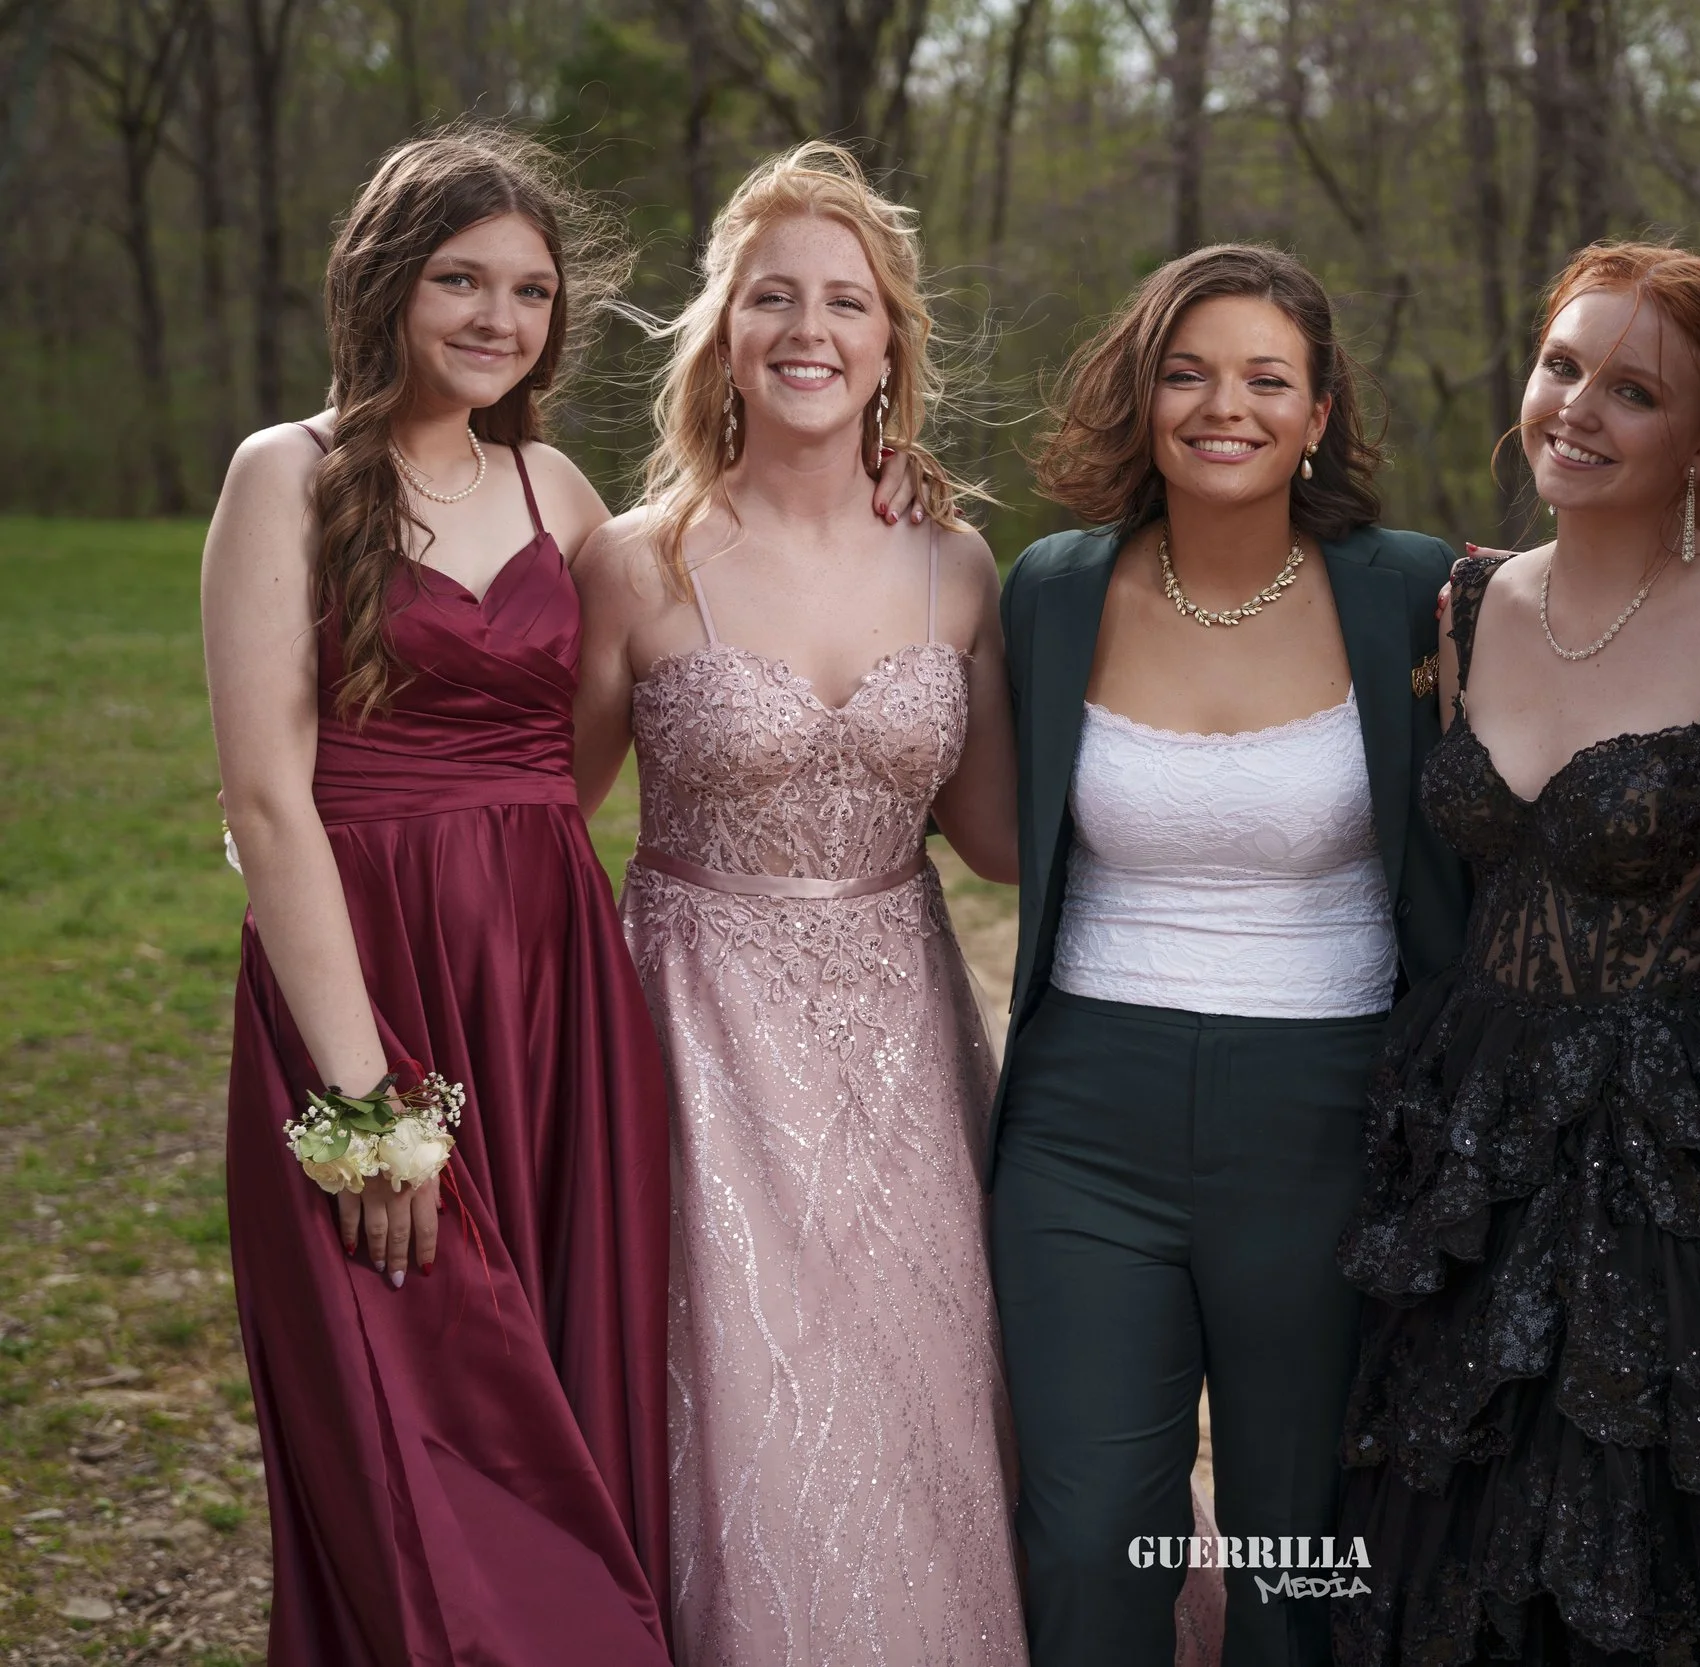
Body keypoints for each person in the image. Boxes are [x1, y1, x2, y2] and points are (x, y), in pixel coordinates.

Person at [1335, 242, 1700, 1667]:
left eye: (1634, 390)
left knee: (1651, 1526)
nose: (1576, 406)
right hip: (1470, 1124)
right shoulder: (1459, 604)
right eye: (1563, 364)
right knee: (1451, 1514)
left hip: (1674, 1146)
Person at [204, 128, 673, 1663]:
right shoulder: (288, 470)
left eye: (531, 291)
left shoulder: (560, 487)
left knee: (563, 1387)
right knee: (405, 1417)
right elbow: (270, 801)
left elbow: (585, 755)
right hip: (358, 982)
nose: (497, 317)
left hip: (550, 987)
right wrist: (370, 1108)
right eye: (462, 279)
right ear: (387, 280)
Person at [987, 243, 1471, 1667]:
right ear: (1142, 398)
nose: (1225, 406)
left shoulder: (1418, 597)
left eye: (1269, 378)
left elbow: (1535, 765)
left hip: (1333, 1105)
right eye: (1188, 373)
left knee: (1299, 1542)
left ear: (1319, 413)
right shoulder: (1049, 591)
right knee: (1086, 1534)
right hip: (1086, 1114)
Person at [571, 142, 1023, 1666]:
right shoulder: (634, 565)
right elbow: (544, 813)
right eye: (773, 296)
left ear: (892, 341)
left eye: (845, 300)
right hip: (698, 1036)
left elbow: (1006, 842)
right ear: (724, 330)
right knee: (747, 1396)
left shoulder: (958, 566)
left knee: (920, 1385)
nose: (809, 329)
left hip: (901, 1039)